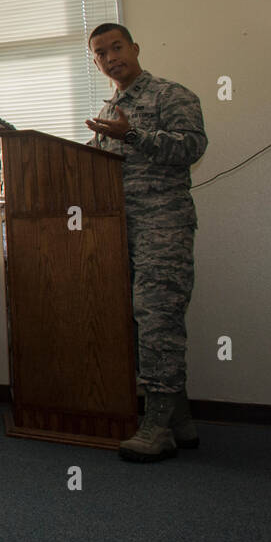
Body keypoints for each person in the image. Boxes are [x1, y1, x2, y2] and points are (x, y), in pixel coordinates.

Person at [84, 23, 208, 463]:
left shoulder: (169, 95)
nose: (111, 56)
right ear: (96, 62)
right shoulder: (110, 107)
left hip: (163, 225)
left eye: (117, 47)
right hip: (119, 228)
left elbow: (192, 147)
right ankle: (180, 421)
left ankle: (156, 427)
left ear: (135, 48)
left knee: (157, 320)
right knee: (143, 323)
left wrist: (132, 135)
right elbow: (99, 162)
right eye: (101, 52)